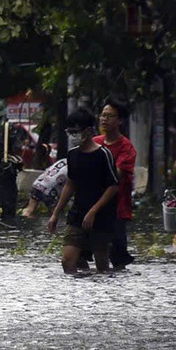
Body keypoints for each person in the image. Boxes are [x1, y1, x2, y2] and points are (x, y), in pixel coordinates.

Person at [47, 109, 119, 274]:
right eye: (69, 132)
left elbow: (113, 186)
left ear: (88, 131)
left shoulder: (103, 154)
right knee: (67, 261)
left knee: (102, 264)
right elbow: (70, 184)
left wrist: (93, 211)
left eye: (75, 132)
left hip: (101, 216)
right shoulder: (72, 155)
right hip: (77, 214)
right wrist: (56, 213)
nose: (72, 136)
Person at [96, 100, 137, 269]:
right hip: (91, 205)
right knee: (80, 254)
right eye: (103, 115)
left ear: (120, 120)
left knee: (117, 258)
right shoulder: (94, 142)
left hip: (117, 208)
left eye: (110, 116)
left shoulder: (127, 148)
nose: (104, 119)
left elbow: (116, 175)